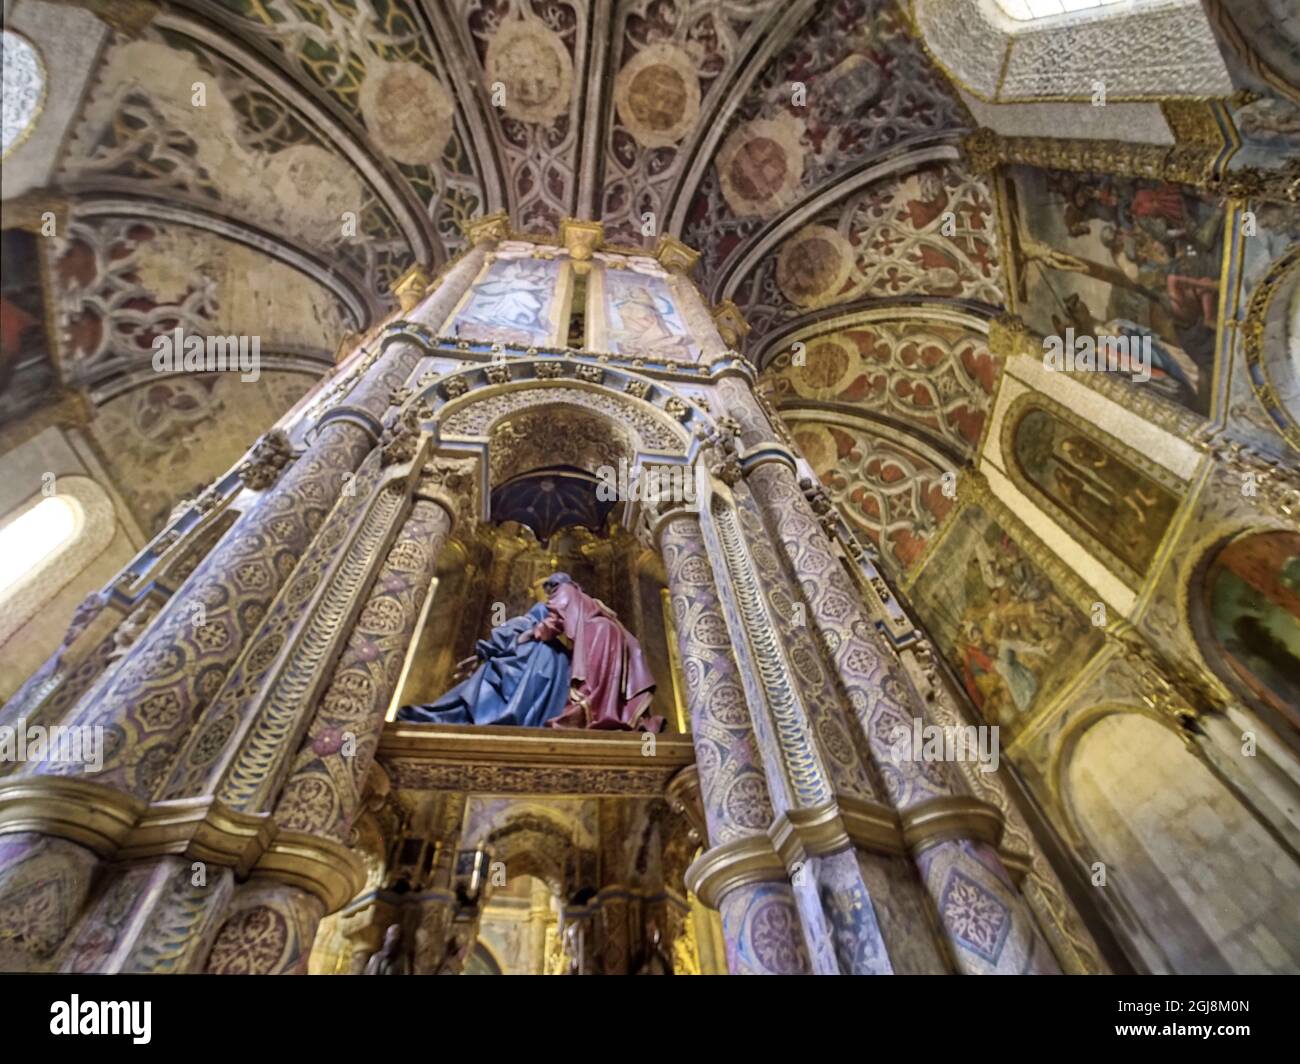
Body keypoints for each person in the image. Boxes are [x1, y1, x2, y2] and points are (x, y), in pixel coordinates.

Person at [518, 573, 662, 732]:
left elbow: (555, 620)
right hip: (612, 633)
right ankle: (613, 714)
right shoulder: (588, 598)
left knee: (593, 683)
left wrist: (532, 633)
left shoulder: (563, 591)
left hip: (596, 634)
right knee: (610, 680)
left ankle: (593, 716)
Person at [397, 602, 571, 727]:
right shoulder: (559, 654)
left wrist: (484, 654)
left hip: (509, 675)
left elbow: (500, 639)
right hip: (533, 697)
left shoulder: (526, 627)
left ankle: (448, 715)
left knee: (478, 687)